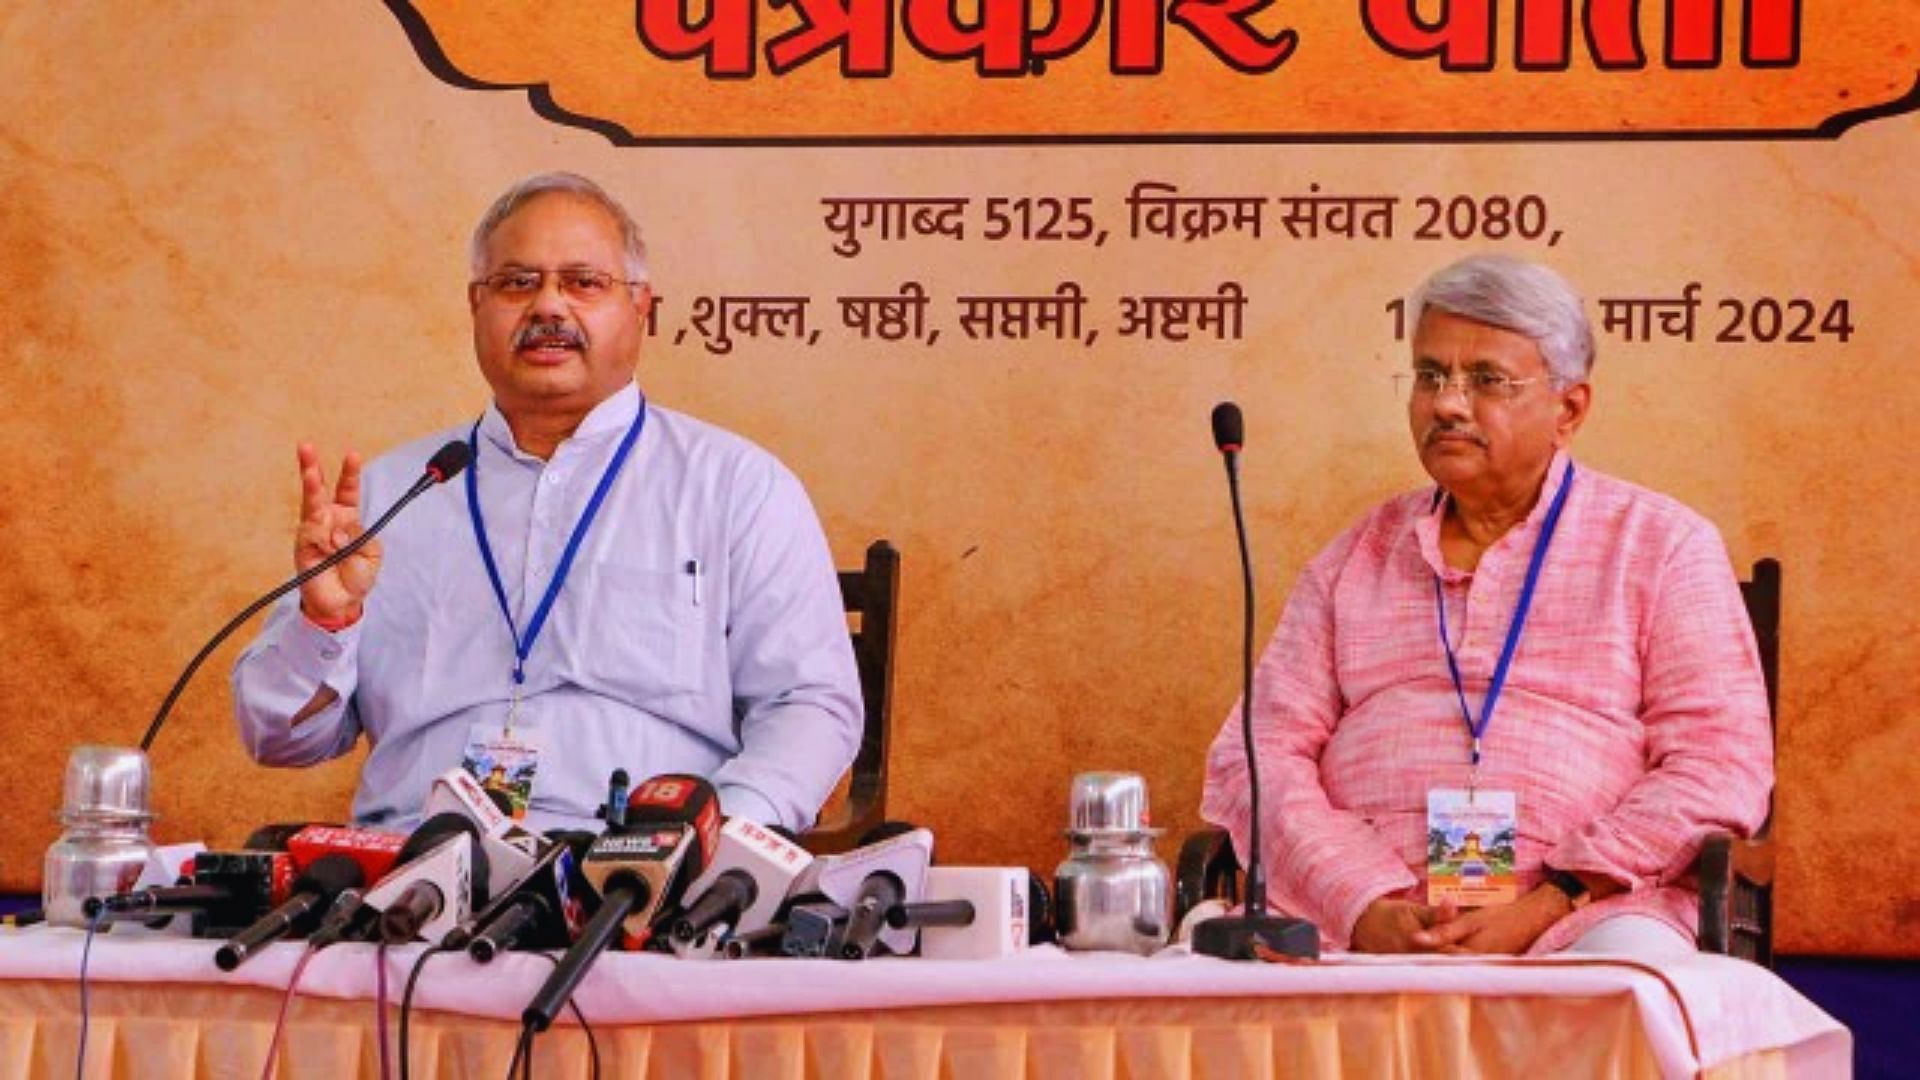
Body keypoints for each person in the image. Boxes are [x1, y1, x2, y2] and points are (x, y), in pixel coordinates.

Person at [233, 172, 862, 835]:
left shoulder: (737, 487)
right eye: (517, 283)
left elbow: (810, 706)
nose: (549, 308)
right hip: (415, 873)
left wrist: (715, 842)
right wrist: (322, 625)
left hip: (640, 880)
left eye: (584, 283)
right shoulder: (393, 496)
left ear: (641, 306)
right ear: (477, 305)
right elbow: (279, 740)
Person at [1200, 254, 1773, 957]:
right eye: (1430, 376)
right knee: (1207, 951)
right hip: (1353, 924)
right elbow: (1258, 755)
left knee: (1633, 973)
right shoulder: (1356, 557)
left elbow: (1719, 764)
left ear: (1569, 409)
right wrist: (1361, 901)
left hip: (1584, 916)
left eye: (1485, 381)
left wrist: (1551, 899)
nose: (1446, 403)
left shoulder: (1661, 546)